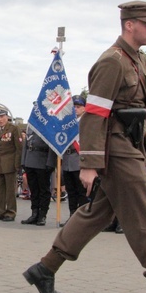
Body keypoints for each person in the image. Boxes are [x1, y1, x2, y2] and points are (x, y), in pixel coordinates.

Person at [23, 1, 146, 293]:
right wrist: (90, 162)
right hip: (116, 150)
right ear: (129, 25)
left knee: (96, 213)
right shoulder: (111, 62)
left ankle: (44, 268)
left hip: (129, 146)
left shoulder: (138, 61)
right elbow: (95, 114)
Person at [61, 96, 87, 226]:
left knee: (81, 191)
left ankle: (81, 219)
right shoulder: (67, 123)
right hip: (67, 159)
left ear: (84, 108)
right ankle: (72, 216)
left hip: (79, 159)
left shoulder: (86, 122)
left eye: (78, 107)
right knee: (71, 191)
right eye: (73, 107)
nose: (75, 109)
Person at [21, 126, 55, 226]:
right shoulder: (31, 127)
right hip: (30, 160)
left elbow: (52, 146)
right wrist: (24, 160)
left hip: (42, 161)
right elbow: (25, 145)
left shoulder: (49, 126)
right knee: (34, 189)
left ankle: (42, 215)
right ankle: (34, 213)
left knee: (44, 190)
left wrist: (50, 162)